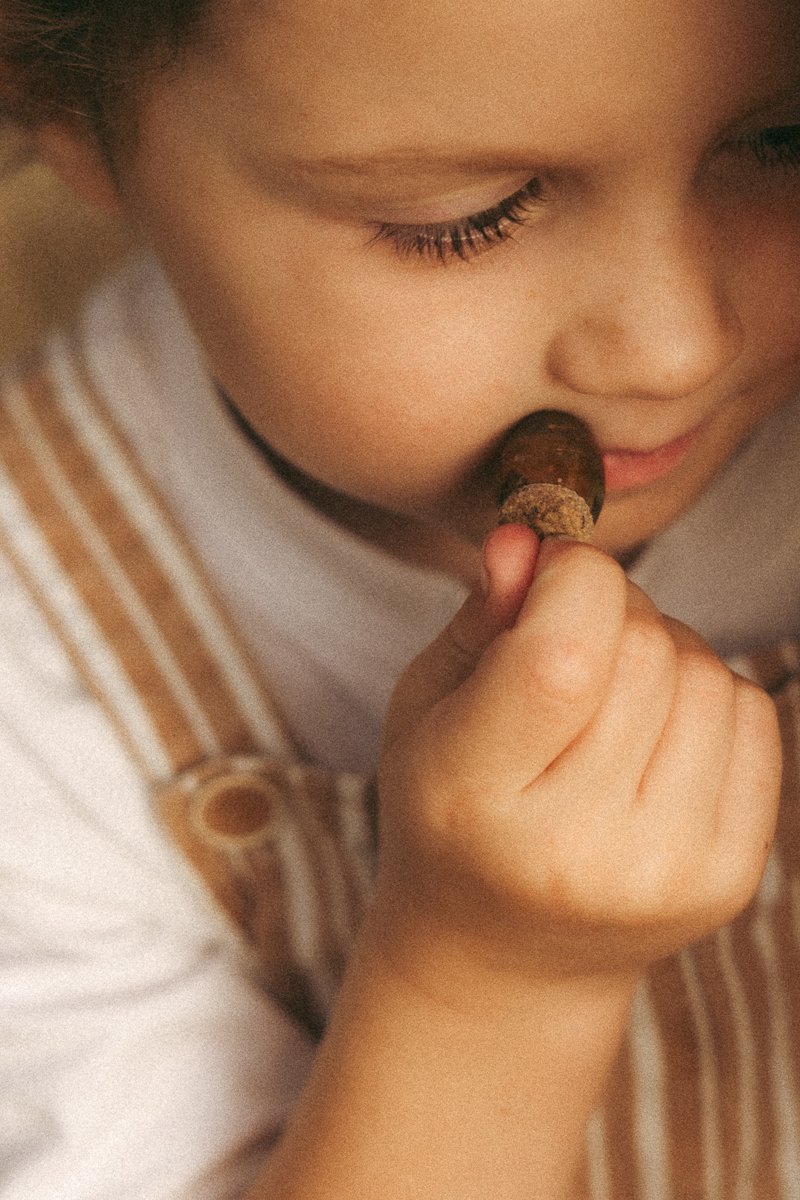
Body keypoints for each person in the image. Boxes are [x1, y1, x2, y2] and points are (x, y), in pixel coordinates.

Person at [0, 0, 798, 1196]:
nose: (674, 344)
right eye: (461, 222)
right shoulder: (39, 652)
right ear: (69, 112)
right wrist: (485, 982)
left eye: (784, 146)